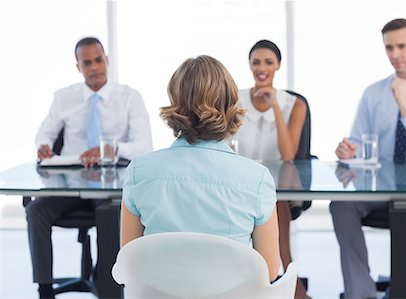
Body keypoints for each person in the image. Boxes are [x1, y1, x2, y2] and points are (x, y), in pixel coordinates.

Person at [120, 55, 281, 282]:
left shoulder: (139, 172)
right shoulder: (256, 179)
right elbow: (269, 271)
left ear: (175, 102)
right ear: (230, 104)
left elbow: (130, 264)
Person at [28, 37, 153, 299]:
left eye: (98, 60)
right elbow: (44, 133)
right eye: (87, 63)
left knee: (108, 214)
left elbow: (144, 145)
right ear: (78, 67)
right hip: (70, 185)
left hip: (110, 183)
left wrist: (112, 149)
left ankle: (108, 289)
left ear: (106, 60)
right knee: (36, 210)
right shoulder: (64, 98)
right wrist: (43, 146)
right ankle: (45, 289)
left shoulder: (129, 97)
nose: (94, 67)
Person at [332, 18, 406, 299]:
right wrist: (350, 150)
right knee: (340, 206)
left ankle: (401, 291)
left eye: (401, 46)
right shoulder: (373, 93)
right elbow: (360, 142)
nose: (394, 55)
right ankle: (361, 293)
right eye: (388, 48)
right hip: (378, 186)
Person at [235, 39, 309, 299]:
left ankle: (292, 286)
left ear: (278, 65)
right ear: (249, 65)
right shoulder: (235, 99)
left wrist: (275, 105)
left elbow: (288, 155)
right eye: (256, 62)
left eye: (268, 62)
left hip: (277, 188)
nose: (261, 68)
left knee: (273, 201)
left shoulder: (294, 105)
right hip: (239, 184)